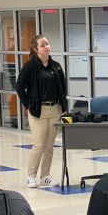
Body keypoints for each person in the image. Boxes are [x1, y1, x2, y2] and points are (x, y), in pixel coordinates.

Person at [16, 34, 67, 188]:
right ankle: (31, 176)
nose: (47, 46)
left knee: (49, 146)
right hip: (38, 110)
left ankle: (45, 175)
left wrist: (62, 105)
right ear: (36, 49)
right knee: (38, 145)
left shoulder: (56, 66)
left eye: (47, 43)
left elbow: (62, 87)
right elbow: (19, 87)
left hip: (55, 109)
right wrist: (28, 104)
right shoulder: (30, 66)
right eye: (43, 44)